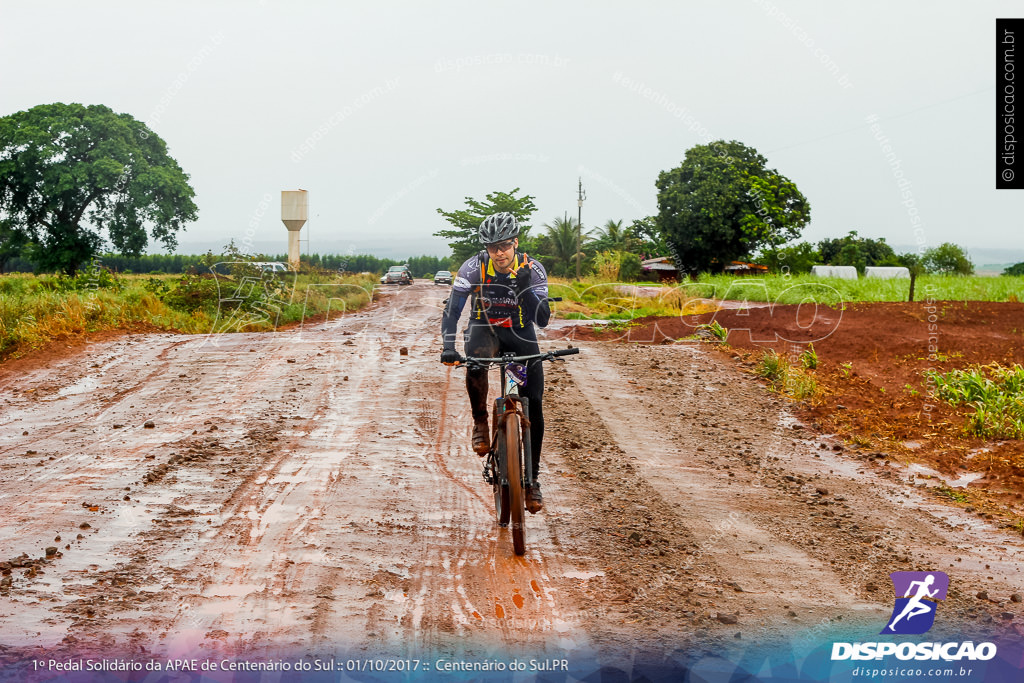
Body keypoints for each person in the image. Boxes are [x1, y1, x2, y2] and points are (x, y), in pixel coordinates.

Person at [440, 212, 550, 513]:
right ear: (486, 249)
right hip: (484, 329)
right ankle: (480, 423)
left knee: (534, 404)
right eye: (492, 247)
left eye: (504, 245)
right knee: (475, 361)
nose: (499, 253)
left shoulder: (533, 269)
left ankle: (532, 481)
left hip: (519, 333)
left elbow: (542, 320)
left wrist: (526, 289)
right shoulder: (473, 268)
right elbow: (452, 310)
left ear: (515, 243)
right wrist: (448, 347)